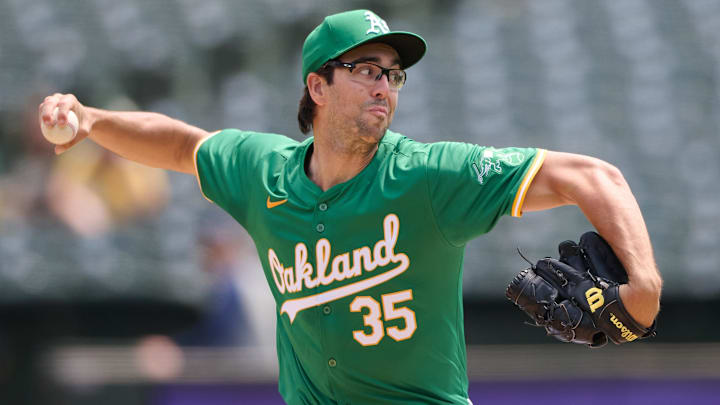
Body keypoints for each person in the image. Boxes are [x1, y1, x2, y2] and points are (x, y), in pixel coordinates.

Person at [38, 9, 662, 405]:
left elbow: (590, 174)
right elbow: (180, 144)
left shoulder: (428, 175)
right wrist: (91, 121)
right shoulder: (262, 170)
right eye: (366, 70)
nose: (384, 86)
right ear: (317, 86)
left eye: (393, 75)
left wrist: (646, 284)